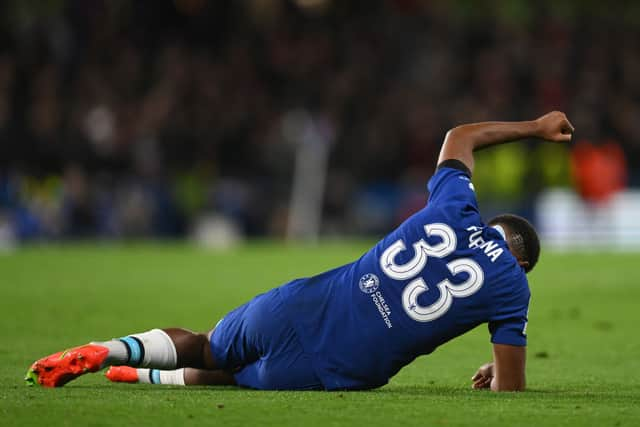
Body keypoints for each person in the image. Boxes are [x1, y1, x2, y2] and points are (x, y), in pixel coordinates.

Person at [25, 111, 574, 391]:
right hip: (339, 363)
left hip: (304, 302)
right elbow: (512, 391)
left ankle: (114, 352)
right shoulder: (511, 285)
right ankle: (143, 375)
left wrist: (535, 126)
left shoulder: (453, 206)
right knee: (236, 379)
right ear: (522, 260)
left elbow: (459, 135)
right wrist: (497, 371)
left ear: (491, 220)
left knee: (208, 346)